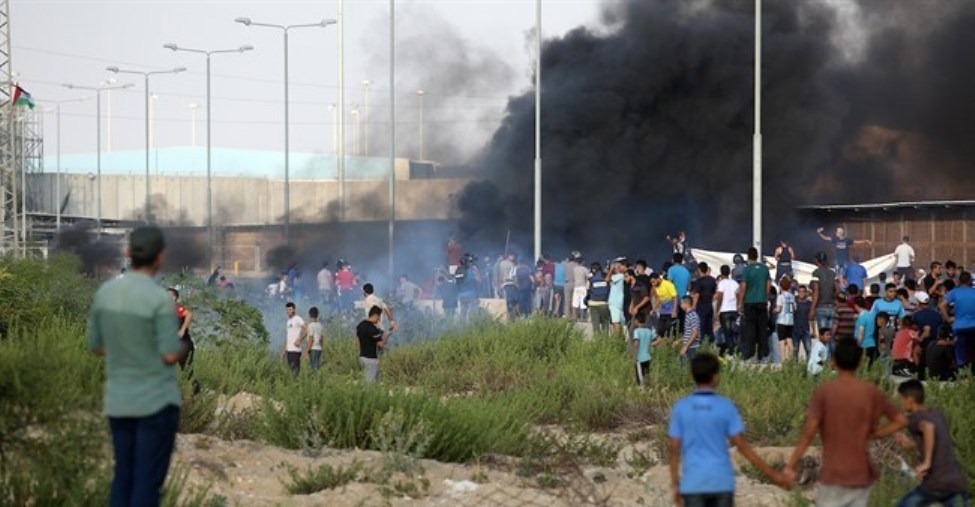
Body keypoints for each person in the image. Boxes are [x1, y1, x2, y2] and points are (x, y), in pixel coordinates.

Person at [88, 226, 187, 507]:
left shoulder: (105, 293)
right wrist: (181, 348)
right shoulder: (160, 299)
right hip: (156, 403)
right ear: (160, 257)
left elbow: (96, 346)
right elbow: (170, 355)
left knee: (123, 475)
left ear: (129, 252)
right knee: (146, 482)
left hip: (119, 402)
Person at [786, 338, 907, 507]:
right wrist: (875, 434)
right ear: (861, 362)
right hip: (861, 474)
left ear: (834, 361)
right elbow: (900, 421)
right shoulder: (870, 391)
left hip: (834, 473)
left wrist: (791, 465)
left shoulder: (825, 392)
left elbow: (808, 433)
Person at [669, 353, 790, 507]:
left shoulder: (681, 407)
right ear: (715, 376)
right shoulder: (726, 406)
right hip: (721, 482)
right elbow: (742, 446)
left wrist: (675, 484)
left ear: (693, 376)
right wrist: (772, 474)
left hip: (693, 484)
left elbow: (674, 449)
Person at [894, 380, 970, 507]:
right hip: (956, 483)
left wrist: (927, 462)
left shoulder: (916, 418)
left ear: (910, 400)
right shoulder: (936, 414)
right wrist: (911, 444)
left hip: (936, 484)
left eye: (901, 398)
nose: (900, 402)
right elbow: (933, 438)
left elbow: (928, 428)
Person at [738, 247, 771, 361]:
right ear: (757, 256)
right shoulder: (764, 268)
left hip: (749, 302)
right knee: (762, 329)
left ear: (748, 256)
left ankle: (750, 354)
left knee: (750, 329)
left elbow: (743, 287)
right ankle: (764, 355)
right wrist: (765, 297)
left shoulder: (747, 270)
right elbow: (768, 284)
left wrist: (740, 303)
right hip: (762, 302)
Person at [940, 271, 975, 372]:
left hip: (959, 326)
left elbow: (941, 305)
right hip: (973, 326)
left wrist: (948, 318)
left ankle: (962, 371)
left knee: (960, 350)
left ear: (959, 281)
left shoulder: (954, 292)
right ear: (970, 281)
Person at [357, 305, 395, 383]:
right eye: (379, 317)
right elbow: (381, 344)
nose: (379, 320)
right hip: (371, 359)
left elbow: (358, 341)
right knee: (370, 384)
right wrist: (387, 335)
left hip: (362, 357)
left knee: (370, 380)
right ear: (375, 315)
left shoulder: (360, 325)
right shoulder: (373, 329)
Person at [912, 292, 942, 380]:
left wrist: (919, 341)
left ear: (919, 302)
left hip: (924, 342)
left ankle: (920, 375)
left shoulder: (916, 315)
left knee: (919, 358)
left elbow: (918, 330)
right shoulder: (937, 314)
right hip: (936, 342)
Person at [810, 251, 839, 335]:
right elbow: (837, 291)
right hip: (832, 307)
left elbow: (816, 292)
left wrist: (812, 309)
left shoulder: (816, 273)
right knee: (831, 335)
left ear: (817, 261)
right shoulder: (833, 273)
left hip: (821, 307)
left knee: (823, 336)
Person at [714, 265, 740, 356]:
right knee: (734, 331)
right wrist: (738, 306)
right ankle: (736, 350)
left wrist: (717, 310)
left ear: (721, 273)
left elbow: (720, 297)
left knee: (727, 333)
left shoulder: (721, 283)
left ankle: (731, 352)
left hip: (724, 310)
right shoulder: (735, 283)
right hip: (734, 310)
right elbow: (738, 295)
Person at [166, 288, 194, 371]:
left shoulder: (177, 308)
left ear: (174, 298)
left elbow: (189, 314)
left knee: (186, 369)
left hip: (182, 343)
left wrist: (182, 330)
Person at [631, 313, 660, 387]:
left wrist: (634, 357)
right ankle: (648, 387)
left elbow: (636, 343)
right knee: (646, 374)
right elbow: (659, 339)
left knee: (640, 376)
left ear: (637, 321)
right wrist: (652, 344)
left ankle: (642, 389)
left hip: (639, 358)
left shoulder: (636, 331)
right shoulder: (648, 331)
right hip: (648, 357)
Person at [692, 262, 717, 347]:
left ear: (699, 270)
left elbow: (696, 295)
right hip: (709, 305)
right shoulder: (712, 280)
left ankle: (701, 344)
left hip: (701, 305)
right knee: (709, 326)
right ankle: (711, 343)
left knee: (701, 326)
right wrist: (711, 300)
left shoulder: (699, 281)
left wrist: (693, 306)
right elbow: (715, 293)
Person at [281, 302, 307, 375]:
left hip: (295, 351)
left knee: (295, 373)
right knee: (290, 373)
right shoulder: (288, 321)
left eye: (290, 309)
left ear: (294, 310)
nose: (288, 311)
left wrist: (300, 340)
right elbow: (288, 336)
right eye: (287, 310)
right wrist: (284, 350)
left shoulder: (298, 319)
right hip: (289, 351)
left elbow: (307, 328)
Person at [774, 278, 796, 361]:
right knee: (789, 339)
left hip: (782, 321)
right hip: (790, 321)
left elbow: (778, 309)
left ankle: (783, 359)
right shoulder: (792, 296)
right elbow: (794, 308)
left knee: (782, 341)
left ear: (780, 286)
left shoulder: (780, 296)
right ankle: (792, 358)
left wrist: (774, 310)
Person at [651, 272, 678, 338]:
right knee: (660, 330)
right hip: (663, 310)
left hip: (670, 310)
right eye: (651, 282)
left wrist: (674, 310)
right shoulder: (656, 287)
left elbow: (675, 297)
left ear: (658, 279)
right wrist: (654, 309)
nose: (653, 284)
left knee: (669, 330)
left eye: (653, 282)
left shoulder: (668, 284)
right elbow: (660, 299)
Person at [588, 262, 611, 335]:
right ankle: (605, 340)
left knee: (595, 324)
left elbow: (588, 289)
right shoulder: (605, 277)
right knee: (605, 323)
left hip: (593, 304)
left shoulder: (591, 279)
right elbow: (609, 289)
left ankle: (597, 340)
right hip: (604, 304)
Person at [793, 285, 814, 360]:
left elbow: (811, 318)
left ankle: (809, 366)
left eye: (803, 291)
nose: (801, 293)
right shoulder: (794, 302)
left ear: (806, 293)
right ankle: (794, 366)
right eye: (800, 291)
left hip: (805, 330)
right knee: (795, 351)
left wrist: (814, 331)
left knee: (809, 350)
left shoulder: (809, 303)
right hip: (794, 330)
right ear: (797, 292)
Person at [679, 296, 701, 364]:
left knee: (683, 366)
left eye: (681, 303)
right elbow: (688, 333)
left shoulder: (692, 316)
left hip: (692, 348)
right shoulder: (688, 315)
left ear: (686, 303)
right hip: (689, 347)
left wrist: (685, 347)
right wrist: (679, 340)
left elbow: (695, 333)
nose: (680, 305)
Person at [607, 262, 626, 334]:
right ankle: (619, 337)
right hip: (618, 302)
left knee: (615, 322)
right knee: (617, 321)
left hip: (615, 302)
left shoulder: (620, 276)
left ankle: (617, 338)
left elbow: (607, 279)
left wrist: (611, 269)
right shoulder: (620, 276)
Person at [305, 307, 324, 372]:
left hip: (313, 348)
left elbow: (311, 339)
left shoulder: (310, 326)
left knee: (314, 368)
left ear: (309, 315)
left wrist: (307, 350)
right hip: (319, 348)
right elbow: (321, 339)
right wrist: (321, 347)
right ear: (317, 315)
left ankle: (316, 378)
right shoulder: (320, 325)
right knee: (317, 366)